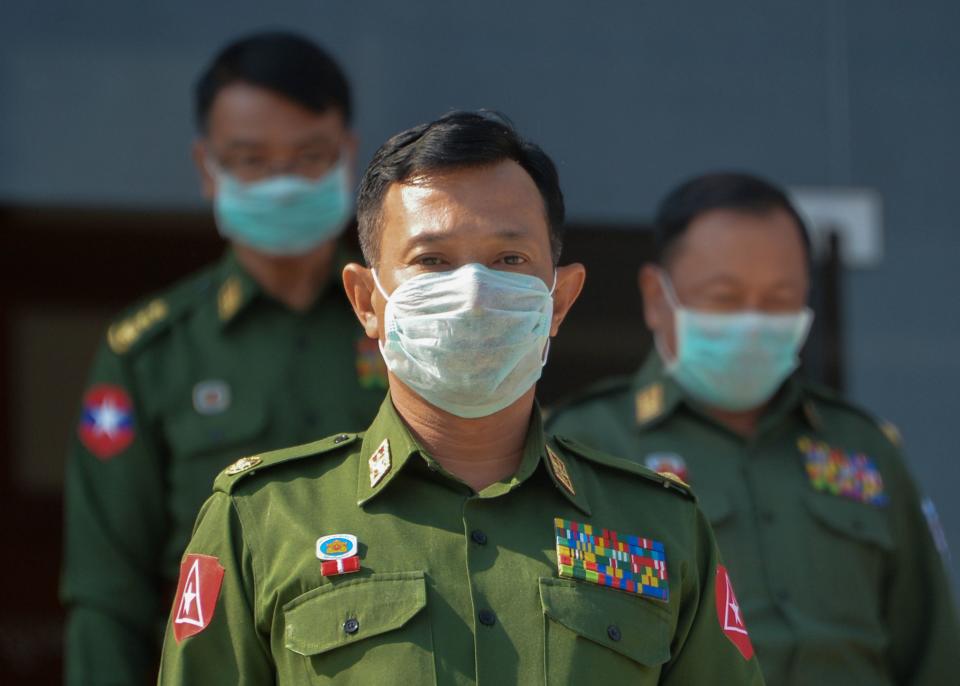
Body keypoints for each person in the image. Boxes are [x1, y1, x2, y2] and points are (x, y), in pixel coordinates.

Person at [156, 112, 766, 684]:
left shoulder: (660, 529)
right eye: (432, 261)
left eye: (509, 258)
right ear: (367, 301)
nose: (473, 293)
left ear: (560, 299)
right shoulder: (262, 521)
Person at [61, 32, 388, 684]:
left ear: (348, 157)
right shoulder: (152, 353)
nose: (282, 181)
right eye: (251, 160)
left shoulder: (405, 322)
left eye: (308, 157)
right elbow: (107, 595)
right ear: (207, 168)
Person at [546, 171, 960, 684]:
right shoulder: (584, 445)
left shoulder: (864, 449)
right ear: (656, 296)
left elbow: (933, 653)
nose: (752, 320)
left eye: (779, 299)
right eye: (724, 297)